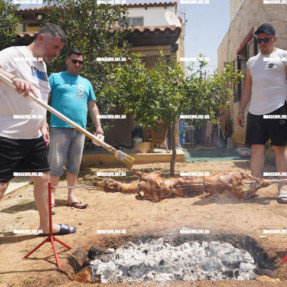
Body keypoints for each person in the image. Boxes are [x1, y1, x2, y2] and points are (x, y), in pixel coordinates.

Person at [0, 23, 76, 235]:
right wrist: (14, 78)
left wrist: (42, 124)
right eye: (55, 47)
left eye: (60, 49)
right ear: (41, 38)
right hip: (8, 136)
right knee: (1, 186)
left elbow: (41, 99)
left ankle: (46, 225)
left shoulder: (41, 66)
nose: (57, 53)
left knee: (43, 179)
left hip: (33, 137)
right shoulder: (13, 54)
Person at [237, 23, 287, 203]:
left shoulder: (284, 57)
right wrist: (241, 110)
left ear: (274, 39)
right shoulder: (251, 62)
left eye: (266, 40)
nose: (263, 43)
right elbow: (248, 89)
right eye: (259, 41)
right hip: (256, 111)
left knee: (280, 149)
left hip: (278, 108)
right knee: (256, 149)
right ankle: (254, 185)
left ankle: (283, 187)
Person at [49, 49, 103, 213]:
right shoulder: (55, 78)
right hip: (59, 127)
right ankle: (50, 198)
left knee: (74, 165)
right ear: (67, 61)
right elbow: (45, 99)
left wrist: (98, 126)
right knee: (55, 164)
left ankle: (71, 197)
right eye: (74, 61)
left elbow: (92, 106)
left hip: (80, 130)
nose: (78, 64)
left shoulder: (86, 83)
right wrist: (40, 122)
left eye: (80, 62)